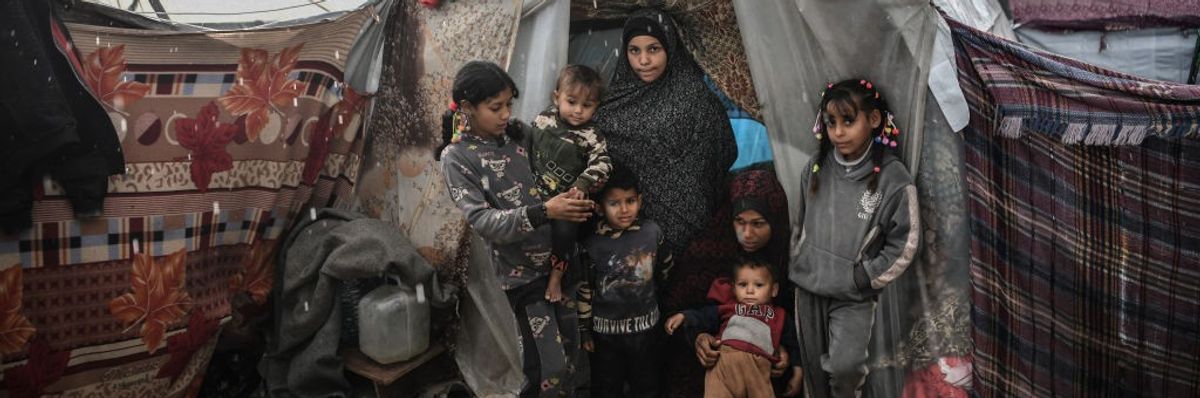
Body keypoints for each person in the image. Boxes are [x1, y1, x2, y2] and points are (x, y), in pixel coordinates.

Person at [436, 60, 595, 397]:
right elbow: (484, 223)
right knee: (545, 368)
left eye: (509, 104)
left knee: (571, 357)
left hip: (562, 260)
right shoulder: (457, 157)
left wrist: (580, 194)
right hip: (523, 275)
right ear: (467, 108)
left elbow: (560, 171)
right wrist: (545, 212)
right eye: (496, 107)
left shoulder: (520, 134)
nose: (506, 113)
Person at [789, 79, 921, 398]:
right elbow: (799, 222)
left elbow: (906, 241)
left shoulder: (892, 179)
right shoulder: (817, 168)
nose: (838, 132)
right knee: (813, 376)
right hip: (808, 287)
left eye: (849, 121)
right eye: (831, 122)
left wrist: (864, 277)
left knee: (846, 370)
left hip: (852, 295)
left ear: (873, 120)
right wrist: (799, 258)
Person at [595, 8, 737, 258]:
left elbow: (721, 149)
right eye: (634, 50)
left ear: (670, 48)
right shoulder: (613, 100)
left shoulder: (694, 97)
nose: (644, 61)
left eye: (653, 49)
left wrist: (681, 185)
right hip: (625, 228)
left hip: (688, 223)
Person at [663, 169, 794, 397]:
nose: (747, 233)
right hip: (714, 369)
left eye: (758, 223)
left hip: (762, 370)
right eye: (739, 221)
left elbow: (791, 321)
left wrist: (781, 349)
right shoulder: (707, 252)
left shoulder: (789, 257)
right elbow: (675, 313)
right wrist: (698, 338)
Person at [576, 165, 671, 398]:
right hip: (606, 336)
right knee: (607, 387)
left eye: (630, 201)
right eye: (614, 203)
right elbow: (584, 289)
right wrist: (585, 332)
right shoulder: (592, 245)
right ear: (599, 207)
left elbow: (665, 270)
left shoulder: (652, 233)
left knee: (648, 385)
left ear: (640, 200)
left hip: (647, 329)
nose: (624, 209)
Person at [530, 64, 612, 304]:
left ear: (596, 106)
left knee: (566, 233)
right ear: (557, 97)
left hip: (566, 201)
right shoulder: (543, 120)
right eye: (571, 102)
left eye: (587, 106)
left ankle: (557, 276)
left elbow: (603, 163)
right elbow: (527, 146)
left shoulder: (592, 136)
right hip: (535, 193)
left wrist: (583, 184)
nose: (578, 111)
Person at [664, 259, 804, 397]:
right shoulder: (729, 308)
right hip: (723, 363)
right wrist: (684, 316)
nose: (750, 291)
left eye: (759, 285)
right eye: (742, 285)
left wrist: (798, 373)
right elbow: (703, 316)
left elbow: (794, 344)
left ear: (774, 289)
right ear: (733, 288)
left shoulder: (780, 316)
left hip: (758, 368)